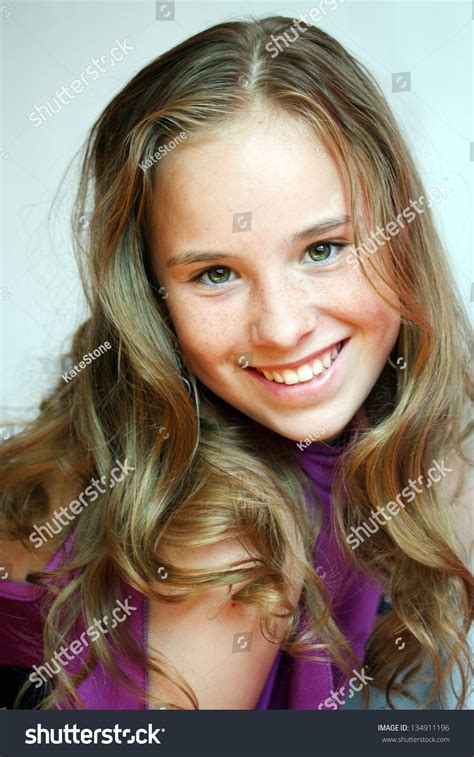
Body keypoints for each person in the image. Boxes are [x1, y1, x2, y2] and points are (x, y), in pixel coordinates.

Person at [0, 16, 472, 711]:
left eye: (324, 249)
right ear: (151, 297)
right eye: (216, 272)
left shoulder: (431, 450)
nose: (283, 328)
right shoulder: (230, 550)